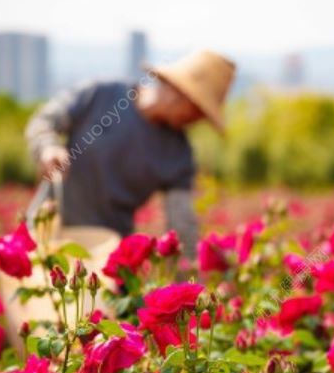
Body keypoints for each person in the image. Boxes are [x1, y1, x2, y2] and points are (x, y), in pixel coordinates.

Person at [25, 50, 236, 257]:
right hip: (46, 234)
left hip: (107, 253)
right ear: (181, 94)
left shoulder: (178, 155)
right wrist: (47, 146)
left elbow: (181, 223)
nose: (197, 121)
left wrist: (188, 277)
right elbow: (43, 121)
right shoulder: (101, 95)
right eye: (198, 112)